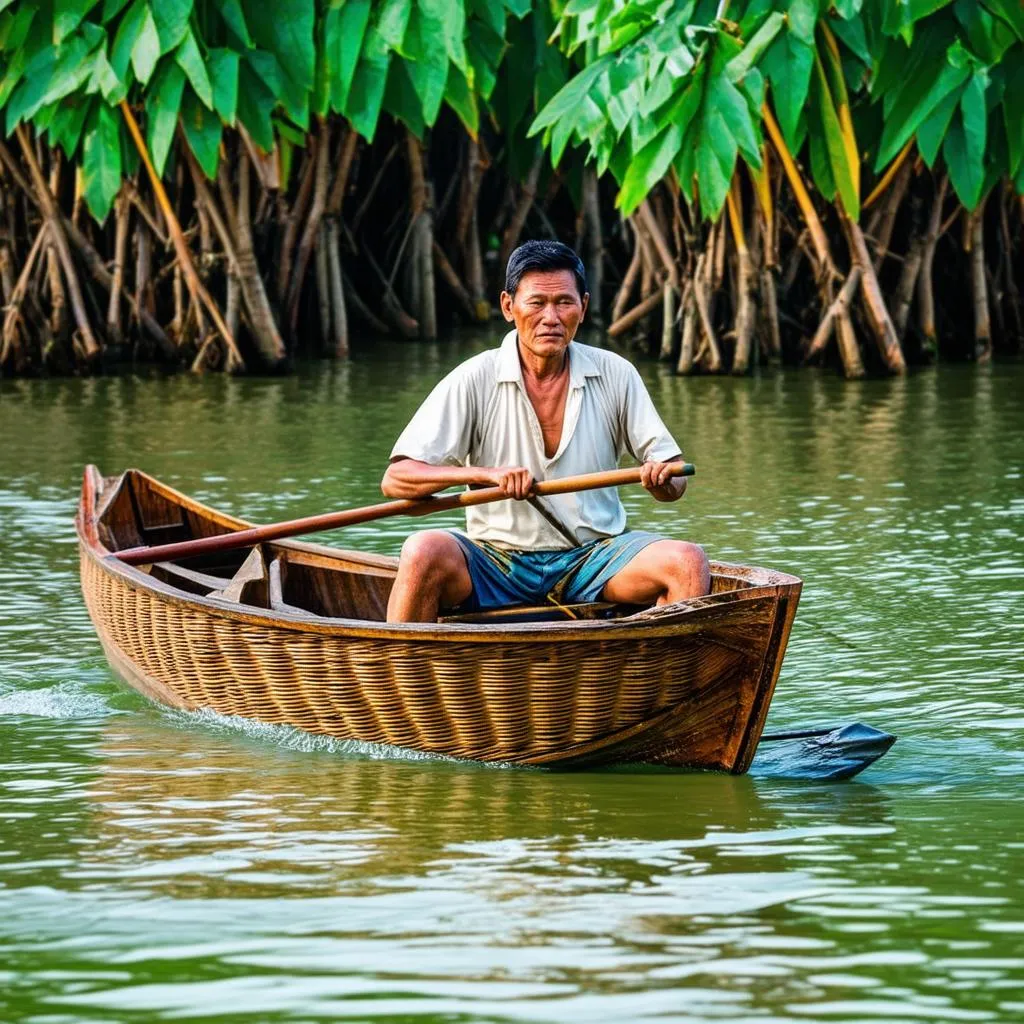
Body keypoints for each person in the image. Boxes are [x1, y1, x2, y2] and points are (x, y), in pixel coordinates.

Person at [382, 240, 710, 623]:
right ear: (508, 307)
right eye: (536, 303)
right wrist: (486, 476)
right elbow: (397, 479)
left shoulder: (616, 374)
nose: (551, 317)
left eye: (564, 303)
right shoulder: (474, 378)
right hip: (494, 560)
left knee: (687, 562)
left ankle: (659, 679)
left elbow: (675, 480)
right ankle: (405, 679)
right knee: (422, 551)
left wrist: (661, 481)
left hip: (595, 558)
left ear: (583, 307)